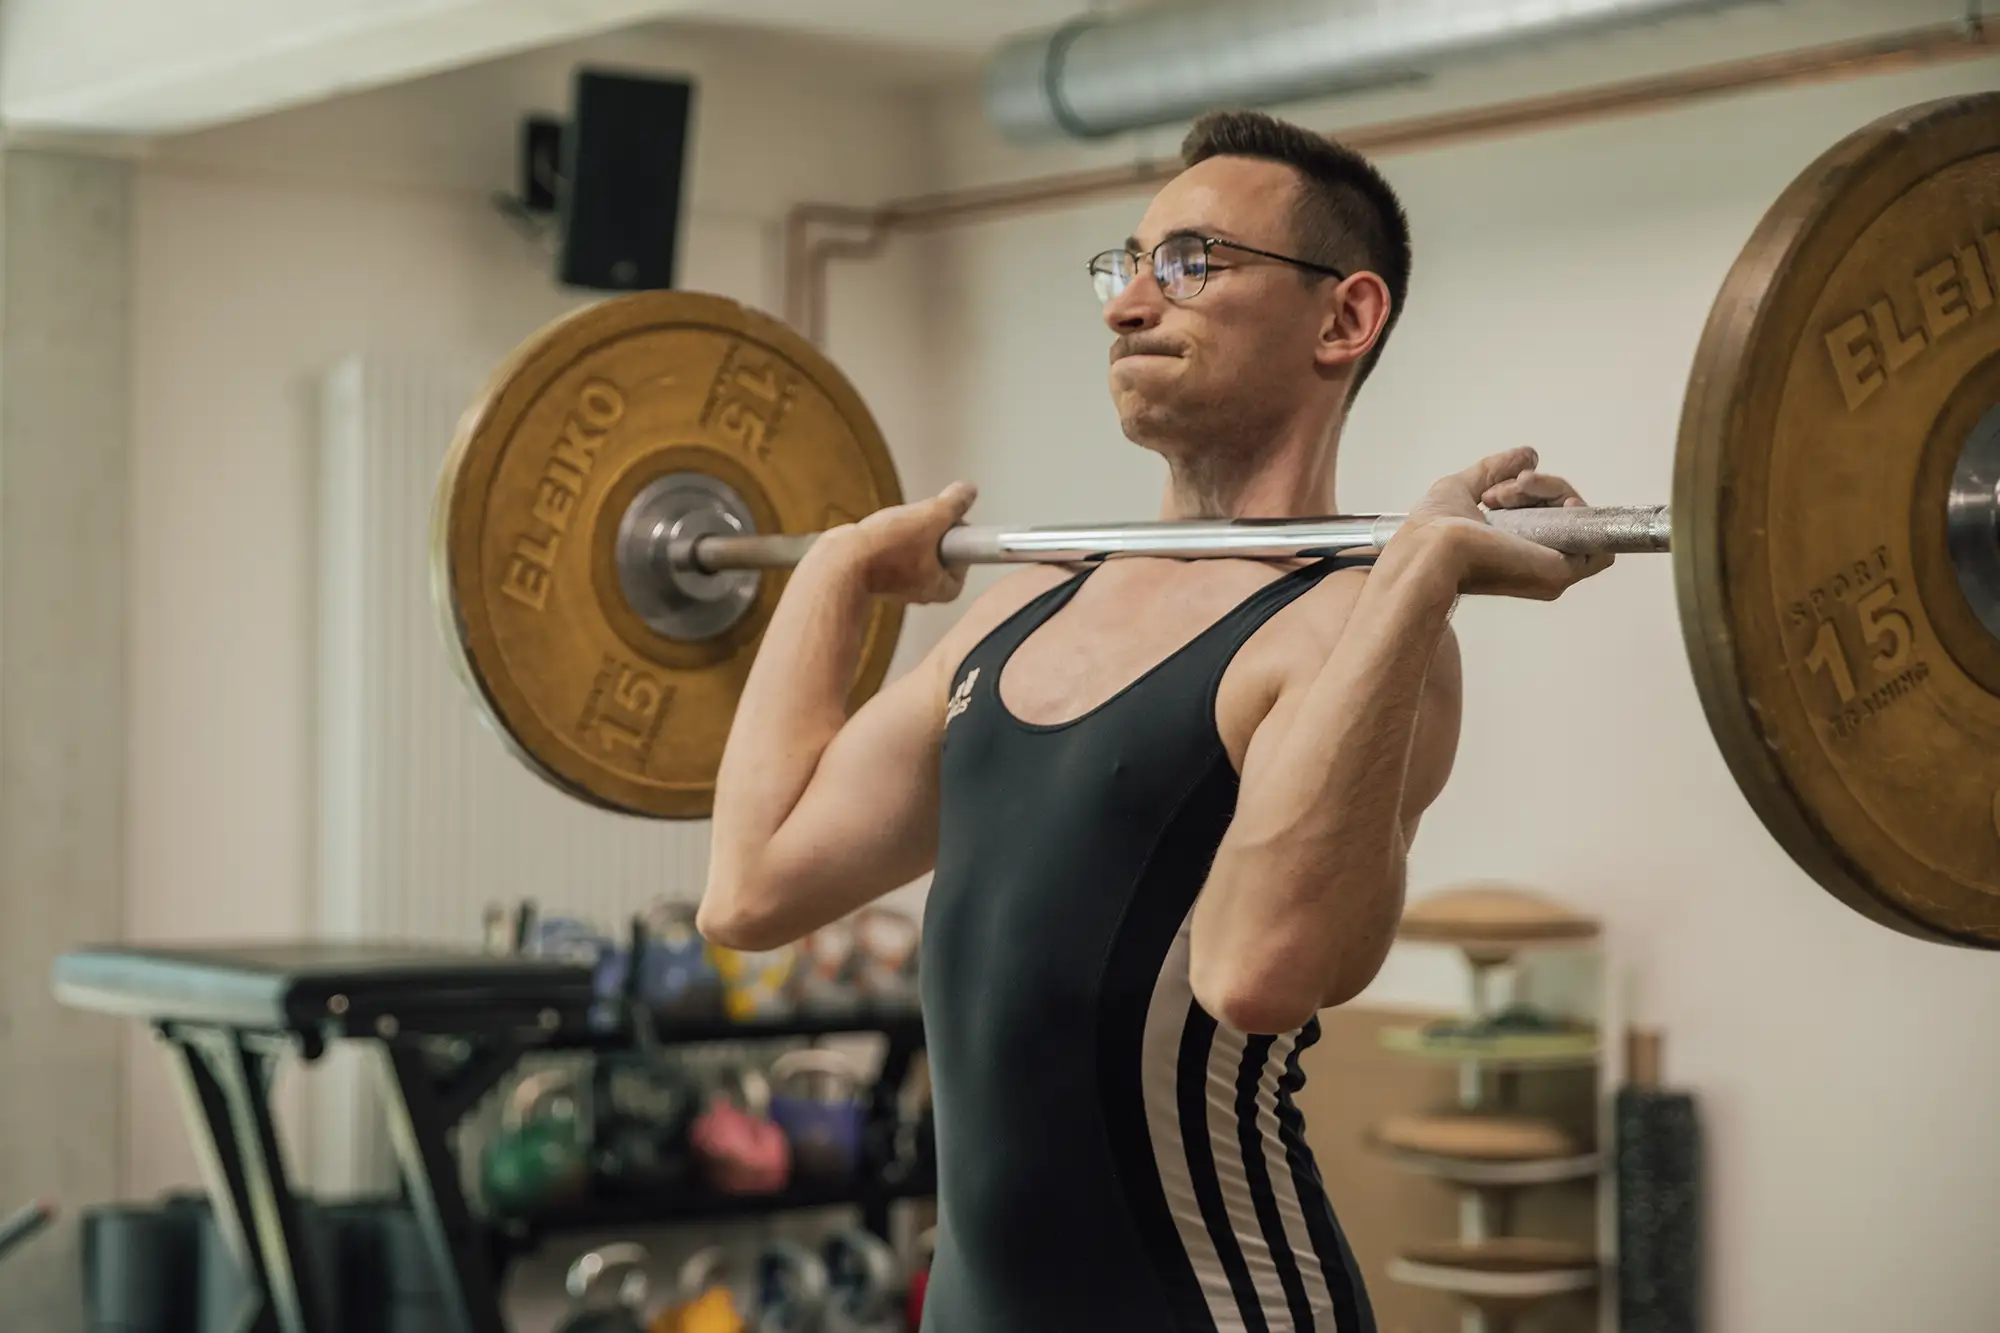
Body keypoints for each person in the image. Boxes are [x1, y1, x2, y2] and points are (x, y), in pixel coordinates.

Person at [697, 109, 1613, 1332]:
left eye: (1189, 263)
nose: (1127, 303)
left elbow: (1257, 972)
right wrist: (831, 578)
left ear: (1342, 319)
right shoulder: (1021, 613)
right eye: (1123, 266)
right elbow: (751, 891)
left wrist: (1415, 573)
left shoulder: (1340, 629)